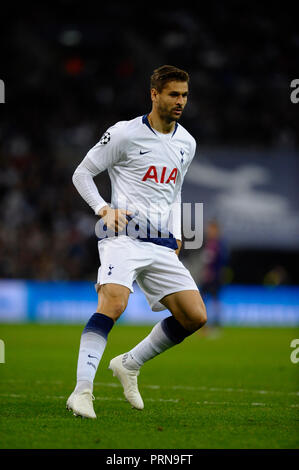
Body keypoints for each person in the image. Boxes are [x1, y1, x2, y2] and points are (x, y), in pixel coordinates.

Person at [66, 65, 207, 419]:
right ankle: (82, 391)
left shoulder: (186, 143)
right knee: (113, 303)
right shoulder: (124, 134)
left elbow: (174, 192)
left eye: (185, 95)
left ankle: (129, 363)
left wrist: (175, 231)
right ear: (154, 94)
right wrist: (102, 209)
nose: (180, 101)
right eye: (174, 94)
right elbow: (82, 172)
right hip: (122, 237)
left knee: (194, 316)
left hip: (160, 243)